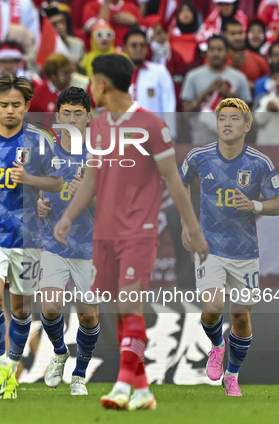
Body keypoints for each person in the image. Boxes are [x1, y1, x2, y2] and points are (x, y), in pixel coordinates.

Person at [53, 54, 209, 411]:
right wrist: (68, 217)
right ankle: (142, 390)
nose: (91, 87)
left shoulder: (151, 125)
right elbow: (91, 179)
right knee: (119, 311)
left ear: (103, 84)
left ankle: (123, 384)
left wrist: (191, 227)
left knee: (129, 302)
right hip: (103, 232)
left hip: (139, 230)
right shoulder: (98, 127)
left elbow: (174, 179)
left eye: (93, 81)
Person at [0, 74, 63, 400]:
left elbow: (58, 183)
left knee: (21, 310)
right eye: (4, 105)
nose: (10, 111)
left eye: (16, 105)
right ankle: (0, 366)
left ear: (27, 106)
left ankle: (10, 365)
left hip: (29, 236)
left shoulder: (41, 140)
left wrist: (31, 178)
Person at [179, 97, 279, 396]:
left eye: (235, 118)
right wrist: (188, 225)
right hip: (209, 247)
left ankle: (233, 375)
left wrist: (254, 204)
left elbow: (277, 205)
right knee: (212, 309)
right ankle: (216, 346)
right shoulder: (199, 157)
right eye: (222, 117)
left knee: (240, 317)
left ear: (248, 125)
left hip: (245, 252)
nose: (227, 122)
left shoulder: (260, 163)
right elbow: (180, 182)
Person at [37, 86, 99, 396]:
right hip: (53, 244)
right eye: (66, 113)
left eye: (78, 114)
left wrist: (87, 197)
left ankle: (79, 374)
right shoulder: (45, 153)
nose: (72, 119)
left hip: (90, 247)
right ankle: (60, 351)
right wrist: (39, 203)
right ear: (57, 116)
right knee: (50, 306)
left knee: (88, 314)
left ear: (89, 117)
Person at [180, 35, 252, 145]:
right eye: (212, 49)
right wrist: (205, 94)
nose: (215, 53)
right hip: (201, 141)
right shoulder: (193, 76)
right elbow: (186, 114)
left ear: (227, 52)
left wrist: (230, 97)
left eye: (219, 50)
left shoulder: (239, 78)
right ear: (206, 52)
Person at [123, 28, 177, 139]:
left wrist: (170, 135)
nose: (138, 49)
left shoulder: (159, 72)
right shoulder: (117, 73)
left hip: (153, 135)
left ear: (147, 49)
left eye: (142, 45)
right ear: (125, 49)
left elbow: (168, 105)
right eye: (134, 45)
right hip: (124, 134)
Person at [222, 20, 269, 85]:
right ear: (224, 35)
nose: (237, 37)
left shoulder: (259, 60)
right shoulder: (217, 60)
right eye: (232, 34)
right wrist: (234, 67)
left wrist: (253, 87)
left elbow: (268, 86)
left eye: (240, 33)